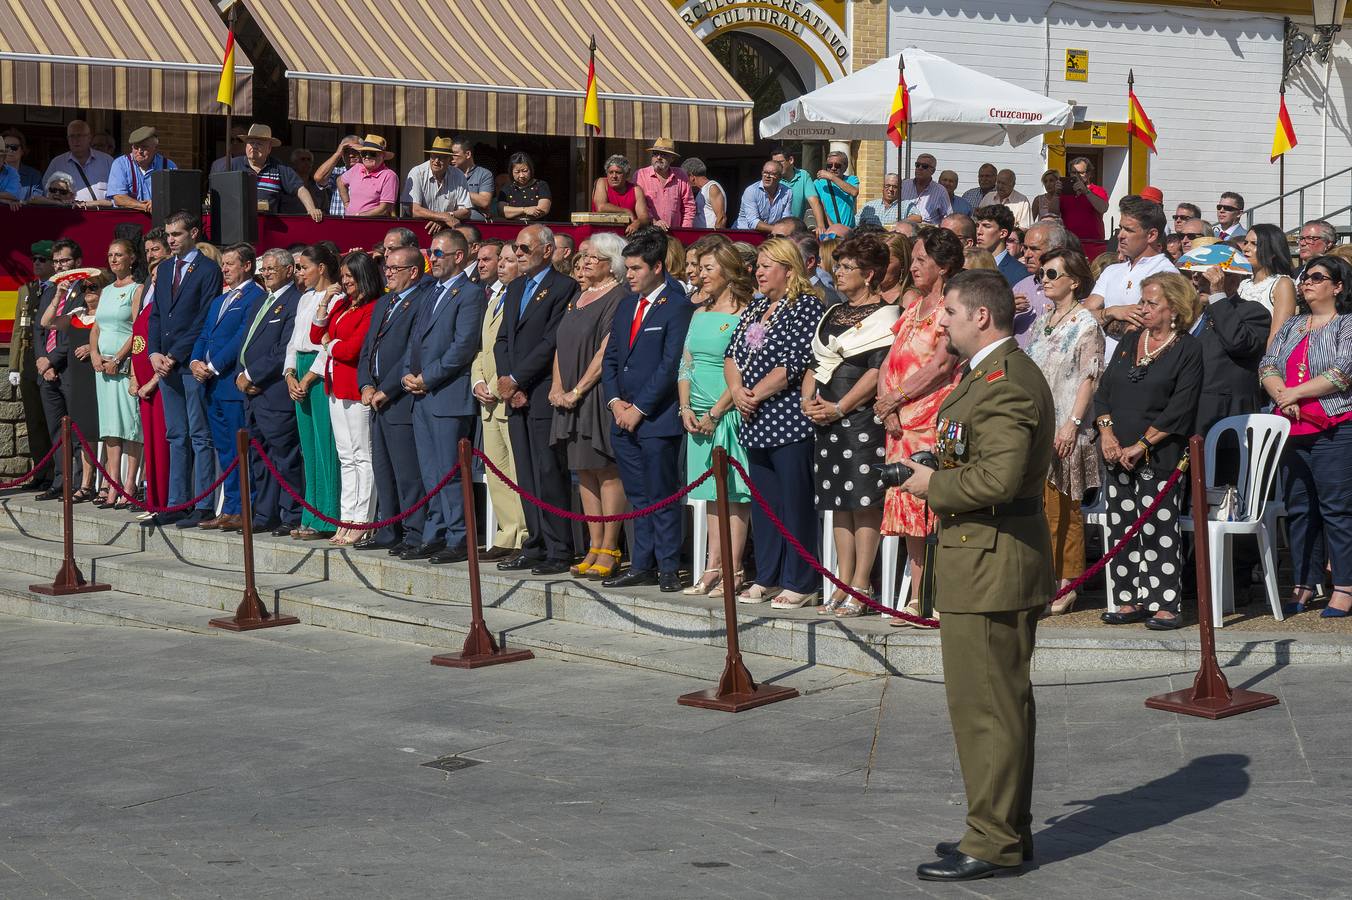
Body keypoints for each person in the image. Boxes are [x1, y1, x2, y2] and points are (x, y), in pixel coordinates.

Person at [897, 269, 1055, 883]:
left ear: (981, 317)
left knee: (987, 707)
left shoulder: (1007, 382)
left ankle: (992, 841)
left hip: (993, 559)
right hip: (980, 556)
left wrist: (928, 483)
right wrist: (936, 461)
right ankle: (1002, 829)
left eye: (951, 313)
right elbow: (980, 456)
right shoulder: (987, 375)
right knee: (991, 704)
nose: (942, 322)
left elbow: (998, 481)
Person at [1096, 272, 1204, 630]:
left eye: (1150, 303)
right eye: (1141, 301)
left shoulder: (1187, 348)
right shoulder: (1130, 339)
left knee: (1158, 529)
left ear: (1173, 308)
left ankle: (1165, 604)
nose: (1142, 308)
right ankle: (1129, 600)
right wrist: (1108, 435)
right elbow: (1104, 391)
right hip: (1116, 452)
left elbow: (1181, 406)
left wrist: (1142, 444)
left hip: (1160, 454)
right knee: (1121, 527)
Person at [725, 237, 825, 609]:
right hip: (753, 420)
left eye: (767, 265)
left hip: (787, 421)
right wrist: (736, 390)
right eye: (758, 265)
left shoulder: (805, 306)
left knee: (795, 502)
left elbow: (795, 365)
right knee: (765, 503)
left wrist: (753, 394)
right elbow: (732, 354)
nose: (759, 271)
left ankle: (800, 579)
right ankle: (767, 575)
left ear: (788, 269)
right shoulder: (755, 307)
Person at [802, 235, 899, 616]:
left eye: (846, 267)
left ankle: (862, 583)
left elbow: (877, 372)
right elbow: (816, 362)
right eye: (837, 266)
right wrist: (807, 400)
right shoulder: (833, 311)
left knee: (863, 502)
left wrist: (840, 407)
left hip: (860, 420)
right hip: (824, 418)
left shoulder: (886, 315)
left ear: (870, 274)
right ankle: (842, 582)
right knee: (836, 502)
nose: (837, 272)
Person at [596, 228, 695, 592]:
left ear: (657, 267)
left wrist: (639, 408)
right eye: (627, 268)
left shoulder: (677, 305)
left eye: (636, 268)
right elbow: (612, 359)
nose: (630, 275)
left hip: (656, 419)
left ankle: (668, 565)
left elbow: (670, 365)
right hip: (623, 418)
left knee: (661, 493)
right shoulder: (625, 305)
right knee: (637, 495)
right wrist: (615, 402)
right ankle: (642, 562)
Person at [875, 228, 965, 621]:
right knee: (909, 509)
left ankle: (939, 592)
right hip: (900, 424)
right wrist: (886, 405)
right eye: (911, 258)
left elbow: (942, 364)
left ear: (943, 266)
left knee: (934, 507)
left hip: (931, 420)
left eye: (921, 260)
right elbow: (888, 359)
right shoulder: (914, 307)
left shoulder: (950, 307)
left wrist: (897, 398)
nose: (912, 266)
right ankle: (917, 594)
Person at [1260, 256, 1352, 617]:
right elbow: (1268, 363)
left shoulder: (1346, 323)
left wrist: (1296, 394)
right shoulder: (1293, 324)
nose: (1307, 282)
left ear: (1338, 286)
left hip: (1334, 427)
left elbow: (1344, 371)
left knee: (1337, 509)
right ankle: (1303, 583)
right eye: (1305, 276)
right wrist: (1282, 393)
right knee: (1300, 509)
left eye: (1317, 277)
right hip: (1291, 426)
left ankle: (1344, 586)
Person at [494, 225, 582, 574]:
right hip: (514, 394)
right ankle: (535, 544)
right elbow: (503, 339)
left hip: (542, 391)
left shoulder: (563, 287)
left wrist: (517, 380)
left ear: (547, 251)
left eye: (524, 247)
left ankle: (559, 548)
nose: (518, 253)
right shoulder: (514, 287)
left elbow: (551, 341)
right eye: (515, 246)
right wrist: (507, 382)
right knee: (525, 474)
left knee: (549, 471)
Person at [1023, 249, 1103, 613]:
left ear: (1074, 280)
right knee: (1038, 508)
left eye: (1053, 273)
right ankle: (1041, 577)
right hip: (1039, 423)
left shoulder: (1087, 323)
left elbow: (1089, 377)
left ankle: (1066, 582)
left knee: (1062, 507)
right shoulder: (1043, 322)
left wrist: (1072, 424)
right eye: (1042, 274)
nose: (1045, 280)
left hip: (1068, 424)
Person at [399, 232, 485, 563]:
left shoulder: (470, 293)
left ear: (459, 256)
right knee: (430, 471)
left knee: (448, 471)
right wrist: (408, 372)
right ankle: (436, 531)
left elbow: (463, 347)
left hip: (448, 394)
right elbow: (415, 340)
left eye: (438, 253)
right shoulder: (430, 293)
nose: (432, 259)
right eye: (430, 253)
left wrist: (428, 376)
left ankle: (459, 535)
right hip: (422, 395)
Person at [550, 232, 627, 579]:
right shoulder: (579, 295)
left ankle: (610, 546)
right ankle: (593, 545)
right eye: (581, 257)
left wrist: (577, 390)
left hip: (595, 394)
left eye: (591, 258)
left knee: (606, 471)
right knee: (583, 471)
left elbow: (605, 352)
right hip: (567, 395)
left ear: (611, 263)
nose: (582, 263)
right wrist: (557, 386)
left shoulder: (618, 297)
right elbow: (560, 345)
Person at [679, 241, 754, 596]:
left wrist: (716, 411)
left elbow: (745, 369)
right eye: (700, 267)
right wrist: (686, 408)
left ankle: (734, 568)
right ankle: (712, 566)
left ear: (727, 270)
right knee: (710, 492)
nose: (701, 275)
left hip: (726, 414)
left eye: (709, 268)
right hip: (695, 417)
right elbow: (686, 363)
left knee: (734, 494)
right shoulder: (698, 312)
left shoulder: (747, 312)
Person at [146, 213, 224, 528]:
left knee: (199, 434)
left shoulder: (208, 270)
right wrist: (153, 352)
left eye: (176, 234)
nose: (171, 240)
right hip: (164, 363)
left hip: (190, 361)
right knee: (176, 433)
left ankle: (202, 503)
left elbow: (204, 317)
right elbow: (156, 315)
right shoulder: (165, 269)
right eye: (168, 235)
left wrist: (175, 355)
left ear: (193, 233)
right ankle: (177, 502)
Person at [355, 245, 432, 554]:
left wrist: (387, 388)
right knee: (383, 467)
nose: (387, 273)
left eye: (394, 269)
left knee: (406, 469)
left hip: (398, 398)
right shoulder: (385, 301)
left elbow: (410, 353)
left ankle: (414, 531)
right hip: (374, 397)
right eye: (386, 268)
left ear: (413, 272)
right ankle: (390, 528)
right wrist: (365, 385)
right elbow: (367, 350)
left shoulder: (420, 301)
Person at [186, 243, 262, 530]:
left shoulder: (255, 296)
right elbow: (205, 333)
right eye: (224, 264)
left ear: (247, 266)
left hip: (229, 383)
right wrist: (195, 360)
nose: (225, 269)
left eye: (231, 264)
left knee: (241, 448)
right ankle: (229, 507)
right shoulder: (220, 300)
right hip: (211, 385)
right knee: (225, 449)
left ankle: (246, 506)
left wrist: (214, 366)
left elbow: (241, 337)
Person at [306, 251, 380, 545]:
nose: (345, 281)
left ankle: (363, 519)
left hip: (354, 389)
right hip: (335, 389)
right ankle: (346, 517)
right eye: (344, 276)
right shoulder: (343, 306)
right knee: (345, 456)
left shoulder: (371, 307)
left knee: (363, 455)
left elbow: (352, 349)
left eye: (350, 276)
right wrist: (325, 301)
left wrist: (330, 344)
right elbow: (316, 335)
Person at [235, 250, 303, 534]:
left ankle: (292, 513)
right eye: (265, 268)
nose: (268, 272)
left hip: (273, 391)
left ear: (289, 270)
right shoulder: (262, 300)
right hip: (252, 395)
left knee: (284, 457)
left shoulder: (295, 301)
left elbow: (283, 349)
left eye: (274, 268)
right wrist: (242, 373)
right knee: (259, 458)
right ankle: (265, 514)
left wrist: (251, 374)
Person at [470, 245, 527, 560]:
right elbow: (482, 349)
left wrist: (494, 384)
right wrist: (478, 381)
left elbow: (510, 351)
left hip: (506, 394)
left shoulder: (519, 299)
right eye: (501, 260)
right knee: (497, 470)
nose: (503, 266)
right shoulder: (494, 298)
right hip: (487, 399)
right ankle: (508, 532)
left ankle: (524, 534)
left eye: (509, 260)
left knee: (517, 470)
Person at [286, 245, 343, 540]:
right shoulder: (304, 298)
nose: (299, 273)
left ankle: (328, 516)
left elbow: (328, 341)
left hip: (320, 373)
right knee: (309, 447)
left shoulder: (336, 297)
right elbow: (294, 340)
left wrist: (309, 378)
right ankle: (311, 512)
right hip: (300, 369)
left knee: (325, 446)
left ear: (321, 268)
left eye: (303, 267)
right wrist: (289, 373)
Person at [86, 239, 144, 507]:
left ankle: (130, 484)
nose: (113, 259)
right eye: (110, 255)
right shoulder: (107, 289)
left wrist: (119, 358)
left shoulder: (137, 288)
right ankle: (113, 483)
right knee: (110, 429)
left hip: (123, 367)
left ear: (131, 258)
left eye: (119, 255)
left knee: (129, 427)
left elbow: (137, 329)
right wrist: (95, 355)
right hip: (103, 368)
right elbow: (96, 327)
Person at [1087, 197, 1178, 357]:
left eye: (1128, 230)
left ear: (1151, 235)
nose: (1120, 235)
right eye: (1120, 228)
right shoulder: (1111, 270)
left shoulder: (1165, 273)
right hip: (1099, 363)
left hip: (1135, 365)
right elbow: (1081, 316)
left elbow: (1138, 328)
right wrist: (1112, 312)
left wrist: (1100, 317)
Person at [129, 230, 169, 510]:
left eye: (156, 250)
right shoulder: (146, 291)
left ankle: (165, 498)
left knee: (164, 443)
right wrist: (134, 375)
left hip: (159, 381)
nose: (150, 258)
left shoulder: (168, 297)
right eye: (148, 252)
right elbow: (137, 338)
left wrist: (153, 380)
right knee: (149, 443)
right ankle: (151, 496)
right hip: (141, 382)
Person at [9, 240, 54, 492]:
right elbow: (19, 329)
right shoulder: (26, 290)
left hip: (47, 357)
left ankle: (55, 472)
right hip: (28, 358)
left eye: (42, 260)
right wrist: (14, 365)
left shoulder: (59, 288)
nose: (36, 264)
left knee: (52, 421)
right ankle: (40, 471)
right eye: (34, 259)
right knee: (34, 419)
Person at [229, 124, 323, 222]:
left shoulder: (278, 168)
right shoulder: (233, 165)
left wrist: (311, 209)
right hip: (238, 224)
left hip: (269, 228)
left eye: (259, 144)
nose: (254, 146)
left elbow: (300, 189)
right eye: (251, 143)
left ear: (269, 149)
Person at [1237, 224, 1298, 342]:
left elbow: (1278, 334)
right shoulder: (1243, 284)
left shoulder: (1282, 284)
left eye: (1254, 244)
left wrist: (1267, 360)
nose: (1246, 248)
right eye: (1246, 242)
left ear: (1273, 251)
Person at [105, 127, 177, 213]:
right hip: (128, 221)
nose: (139, 151)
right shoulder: (120, 164)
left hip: (160, 220)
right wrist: (145, 207)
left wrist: (159, 203)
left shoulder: (169, 166)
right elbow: (119, 198)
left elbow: (176, 196)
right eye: (136, 147)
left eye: (144, 147)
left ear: (155, 148)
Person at [42, 120, 112, 205]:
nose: (76, 140)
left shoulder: (107, 161)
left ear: (89, 137)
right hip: (67, 214)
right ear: (67, 139)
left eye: (79, 135)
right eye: (72, 136)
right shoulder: (57, 163)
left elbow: (118, 193)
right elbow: (46, 191)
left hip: (101, 214)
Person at [633, 138, 695, 230]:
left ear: (672, 158)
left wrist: (685, 230)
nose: (658, 157)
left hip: (674, 234)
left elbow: (689, 207)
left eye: (663, 154)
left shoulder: (681, 176)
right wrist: (654, 222)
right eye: (655, 154)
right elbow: (637, 203)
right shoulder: (640, 175)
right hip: (648, 232)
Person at [1059, 158, 1110, 258]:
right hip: (1070, 243)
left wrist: (1086, 192)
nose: (1077, 176)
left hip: (1093, 243)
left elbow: (1103, 208)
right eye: (1074, 172)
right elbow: (1053, 212)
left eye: (1081, 173)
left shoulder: (1098, 190)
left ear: (1089, 174)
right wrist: (1056, 194)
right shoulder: (1066, 192)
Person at [339, 135, 398, 218]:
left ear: (383, 156)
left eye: (372, 153)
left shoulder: (389, 175)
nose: (367, 156)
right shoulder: (357, 168)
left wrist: (359, 216)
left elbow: (384, 209)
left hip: (373, 225)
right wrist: (346, 203)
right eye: (364, 153)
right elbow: (340, 181)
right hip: (351, 222)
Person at [973, 204, 1031, 288]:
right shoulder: (970, 266)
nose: (979, 231)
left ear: (1003, 233)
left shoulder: (1020, 273)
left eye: (986, 226)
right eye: (977, 226)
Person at [591, 155, 651, 233]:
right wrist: (626, 211)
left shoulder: (636, 189)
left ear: (627, 174)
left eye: (618, 172)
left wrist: (637, 223)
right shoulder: (602, 182)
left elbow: (644, 217)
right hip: (602, 234)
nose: (614, 176)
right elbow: (601, 207)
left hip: (627, 234)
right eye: (611, 172)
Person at [734, 160, 792, 232]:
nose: (767, 176)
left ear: (780, 177)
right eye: (765, 173)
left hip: (772, 234)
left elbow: (786, 219)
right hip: (747, 234)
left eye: (772, 174)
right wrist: (778, 229)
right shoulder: (751, 191)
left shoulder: (787, 192)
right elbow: (753, 222)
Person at [312, 135, 362, 217]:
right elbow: (319, 178)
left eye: (355, 151)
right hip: (338, 224)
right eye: (346, 151)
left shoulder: (370, 173)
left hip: (361, 222)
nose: (351, 155)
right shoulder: (338, 172)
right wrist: (338, 153)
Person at [495, 152, 551, 223]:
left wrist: (513, 213)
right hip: (513, 227)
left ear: (531, 169)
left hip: (536, 227)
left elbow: (543, 209)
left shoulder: (541, 185)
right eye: (517, 172)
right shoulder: (507, 188)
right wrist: (525, 210)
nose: (521, 175)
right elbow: (502, 211)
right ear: (511, 172)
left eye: (525, 171)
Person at [449, 138, 495, 221]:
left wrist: (455, 190)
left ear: (468, 154)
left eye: (455, 154)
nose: (451, 158)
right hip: (449, 219)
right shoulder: (447, 174)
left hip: (473, 223)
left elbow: (484, 202)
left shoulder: (484, 174)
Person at [898, 154, 951, 225]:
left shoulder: (940, 191)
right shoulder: (904, 185)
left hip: (927, 233)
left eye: (924, 166)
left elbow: (948, 217)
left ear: (933, 171)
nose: (920, 168)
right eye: (917, 165)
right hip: (904, 231)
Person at [813, 150, 859, 231]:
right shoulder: (819, 183)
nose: (833, 168)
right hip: (829, 230)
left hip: (849, 231)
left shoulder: (851, 179)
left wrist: (831, 177)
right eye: (829, 166)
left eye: (837, 165)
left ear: (845, 167)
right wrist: (834, 229)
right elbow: (821, 207)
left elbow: (854, 192)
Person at [681, 157, 726, 229]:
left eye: (685, 177)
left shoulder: (712, 188)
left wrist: (715, 237)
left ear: (692, 176)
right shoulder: (702, 190)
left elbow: (721, 218)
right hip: (702, 236)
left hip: (710, 237)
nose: (684, 181)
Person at [2, 129, 42, 200]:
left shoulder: (34, 175)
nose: (9, 150)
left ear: (22, 151)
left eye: (14, 147)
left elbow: (37, 200)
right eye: (5, 147)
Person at [879, 232, 914, 305]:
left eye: (885, 261)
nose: (878, 266)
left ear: (902, 263)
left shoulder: (908, 298)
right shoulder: (864, 293)